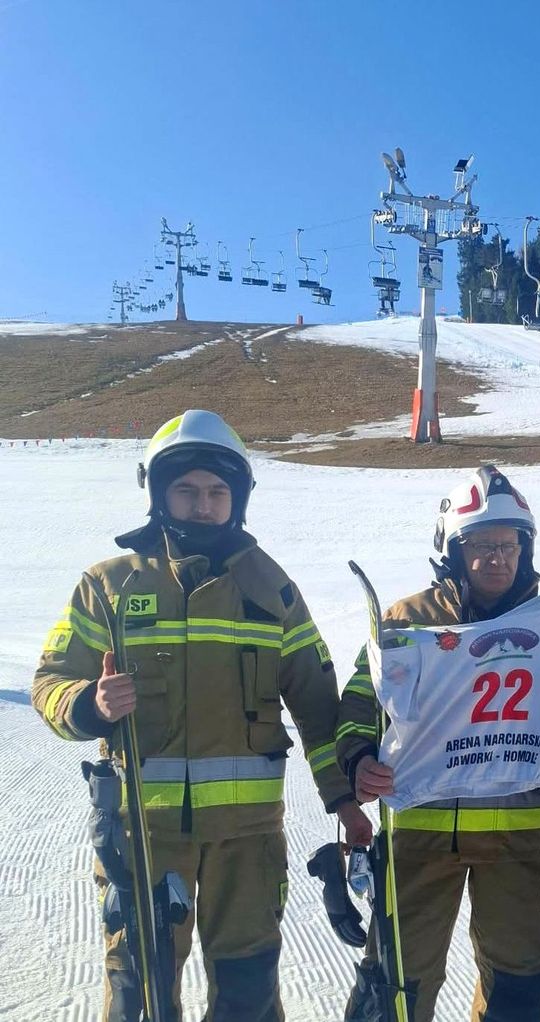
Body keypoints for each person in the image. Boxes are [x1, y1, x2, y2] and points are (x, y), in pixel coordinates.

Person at [32, 409, 370, 1022]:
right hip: (143, 836)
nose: (202, 505)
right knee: (139, 992)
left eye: (217, 492)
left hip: (248, 841)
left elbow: (319, 706)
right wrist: (89, 703)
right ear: (158, 493)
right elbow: (49, 683)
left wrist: (342, 797)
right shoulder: (107, 586)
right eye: (186, 490)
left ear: (237, 499)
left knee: (247, 994)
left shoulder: (273, 589)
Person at [335, 465, 540, 1022]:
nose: (497, 559)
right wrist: (359, 758)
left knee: (519, 977)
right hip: (419, 835)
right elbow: (358, 700)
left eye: (509, 546)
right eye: (482, 546)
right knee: (399, 979)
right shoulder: (406, 622)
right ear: (453, 549)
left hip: (515, 841)